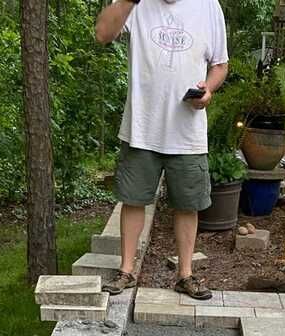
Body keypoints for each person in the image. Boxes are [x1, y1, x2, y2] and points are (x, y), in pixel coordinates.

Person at [95, 0, 229, 301]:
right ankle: (126, 271)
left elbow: (220, 64)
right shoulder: (136, 4)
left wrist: (208, 89)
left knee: (187, 204)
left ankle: (185, 275)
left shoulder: (208, 6)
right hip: (142, 127)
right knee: (133, 200)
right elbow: (102, 33)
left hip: (187, 131)